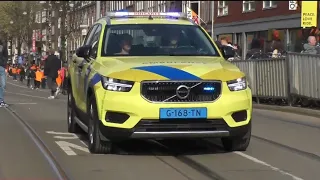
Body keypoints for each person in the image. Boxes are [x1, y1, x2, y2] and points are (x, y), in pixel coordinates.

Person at [0, 39, 9, 107]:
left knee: (3, 85)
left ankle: (1, 100)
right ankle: (1, 100)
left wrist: (4, 63)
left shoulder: (3, 45)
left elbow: (6, 55)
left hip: (1, 67)